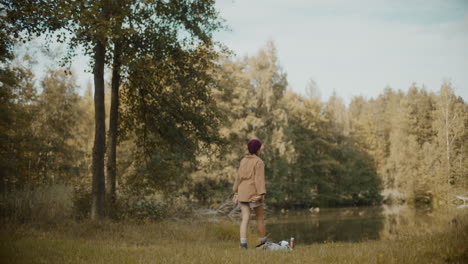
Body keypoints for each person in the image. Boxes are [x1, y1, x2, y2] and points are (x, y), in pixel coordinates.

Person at [232, 139, 267, 249]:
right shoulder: (259, 161)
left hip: (242, 192)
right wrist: (261, 194)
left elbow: (238, 177)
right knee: (260, 217)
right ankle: (263, 243)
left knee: (245, 218)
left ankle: (243, 244)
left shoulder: (243, 160)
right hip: (253, 193)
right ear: (258, 149)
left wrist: (236, 191)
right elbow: (259, 179)